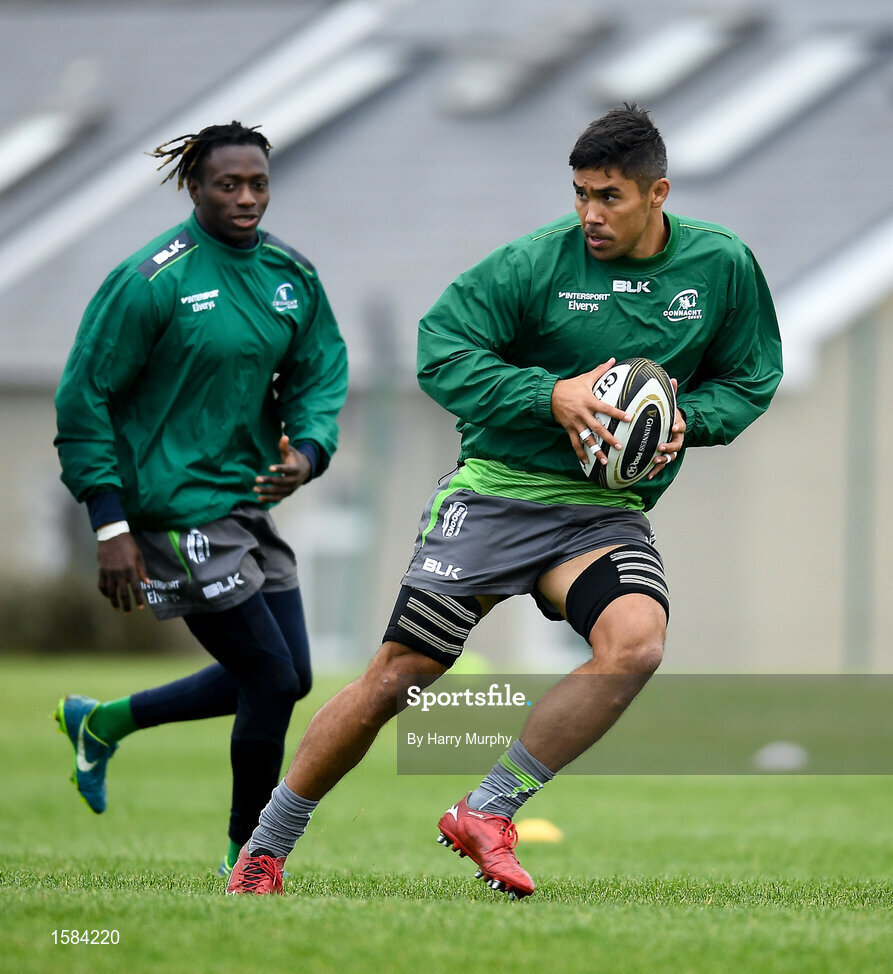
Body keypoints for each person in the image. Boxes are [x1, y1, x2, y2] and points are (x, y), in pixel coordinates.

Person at [225, 104, 782, 897]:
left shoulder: (720, 265)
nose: (590, 213)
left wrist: (691, 420)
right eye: (581, 193)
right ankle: (265, 847)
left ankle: (488, 809)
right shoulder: (532, 265)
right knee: (398, 677)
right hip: (496, 495)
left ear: (657, 192)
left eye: (610, 197)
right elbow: (440, 352)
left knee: (636, 644)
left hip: (598, 512)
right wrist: (551, 396)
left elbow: (750, 377)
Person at [53, 120, 348, 878]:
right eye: (228, 184)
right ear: (194, 187)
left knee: (288, 677)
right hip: (173, 508)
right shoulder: (151, 280)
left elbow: (320, 372)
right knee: (271, 679)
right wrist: (108, 522)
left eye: (257, 183)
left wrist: (307, 453)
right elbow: (83, 399)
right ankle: (245, 857)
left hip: (245, 499)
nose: (246, 197)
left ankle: (103, 722)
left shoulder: (290, 275)